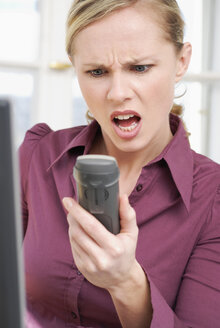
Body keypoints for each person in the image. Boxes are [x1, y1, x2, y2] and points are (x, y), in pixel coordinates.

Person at [19, 0, 220, 327]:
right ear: (75, 67)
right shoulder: (37, 156)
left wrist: (126, 283)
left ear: (181, 61)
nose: (117, 92)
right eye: (96, 71)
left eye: (139, 68)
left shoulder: (212, 200)